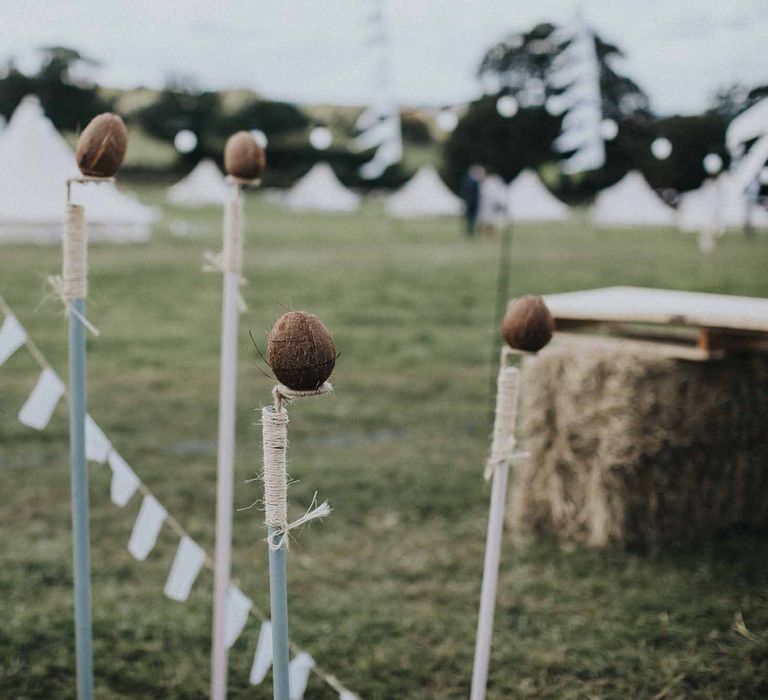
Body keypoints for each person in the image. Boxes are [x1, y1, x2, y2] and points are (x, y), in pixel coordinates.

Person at [477, 170, 508, 236]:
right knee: (486, 220)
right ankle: (486, 232)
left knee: (489, 220)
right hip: (487, 206)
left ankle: (489, 233)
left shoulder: (489, 184)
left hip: (489, 206)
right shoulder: (488, 184)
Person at [460, 165, 484, 236]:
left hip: (470, 203)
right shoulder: (474, 182)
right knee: (471, 219)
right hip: (472, 203)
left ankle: (470, 231)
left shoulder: (468, 180)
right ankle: (470, 231)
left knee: (471, 219)